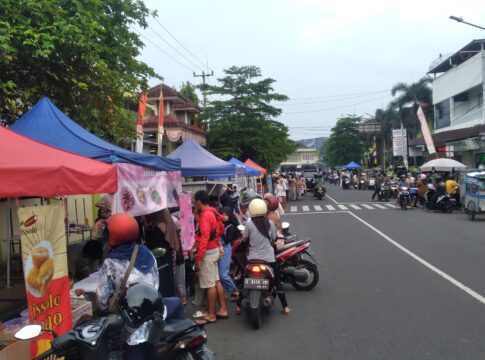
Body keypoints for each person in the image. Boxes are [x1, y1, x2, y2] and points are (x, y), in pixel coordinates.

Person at [96, 213, 185, 360]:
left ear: (113, 236)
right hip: (155, 316)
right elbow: (155, 283)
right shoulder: (147, 253)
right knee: (175, 303)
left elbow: (103, 300)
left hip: (130, 325)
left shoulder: (111, 263)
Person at [235, 199, 291, 315]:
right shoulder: (269, 223)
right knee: (277, 281)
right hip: (268, 259)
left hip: (253, 259)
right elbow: (273, 239)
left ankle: (238, 306)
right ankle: (285, 307)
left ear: (251, 210)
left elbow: (244, 239)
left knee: (245, 280)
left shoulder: (249, 224)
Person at [193, 190, 229, 325]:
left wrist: (198, 257)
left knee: (209, 285)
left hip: (208, 252)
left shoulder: (205, 216)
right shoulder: (214, 212)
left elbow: (204, 237)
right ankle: (223, 309)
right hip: (215, 249)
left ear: (198, 202)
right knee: (215, 281)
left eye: (194, 202)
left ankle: (212, 314)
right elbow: (220, 230)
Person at [143, 209, 178, 297]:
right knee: (169, 280)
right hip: (167, 258)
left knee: (163, 283)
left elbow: (152, 245)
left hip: (160, 260)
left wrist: (147, 231)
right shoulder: (168, 224)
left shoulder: (158, 228)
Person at [219, 207, 240, 301]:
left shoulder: (230, 226)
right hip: (219, 248)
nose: (223, 216)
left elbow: (227, 240)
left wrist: (221, 230)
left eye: (225, 214)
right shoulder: (220, 224)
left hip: (226, 249)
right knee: (219, 274)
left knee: (223, 274)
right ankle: (223, 293)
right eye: (222, 214)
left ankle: (235, 289)